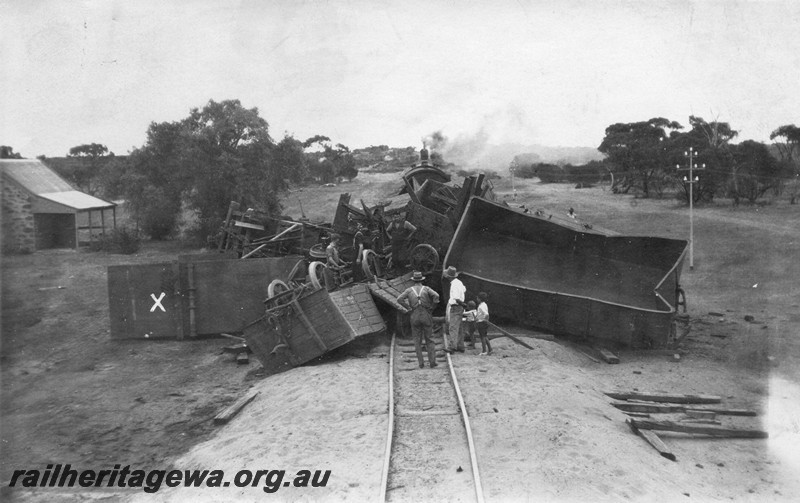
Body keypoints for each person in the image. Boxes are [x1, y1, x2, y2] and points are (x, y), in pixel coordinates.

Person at [396, 271, 440, 368]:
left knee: (417, 340)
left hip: (414, 315)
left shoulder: (409, 290)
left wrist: (408, 307)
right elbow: (436, 296)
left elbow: (399, 299)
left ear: (413, 281)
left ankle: (421, 363)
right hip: (426, 315)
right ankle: (432, 361)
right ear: (422, 280)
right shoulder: (426, 289)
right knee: (429, 339)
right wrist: (432, 307)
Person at [442, 266, 466, 353]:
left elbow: (456, 298)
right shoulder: (459, 282)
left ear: (449, 276)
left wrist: (462, 303)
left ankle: (452, 347)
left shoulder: (454, 285)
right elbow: (464, 289)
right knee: (459, 327)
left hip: (456, 306)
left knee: (453, 327)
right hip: (460, 307)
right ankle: (460, 346)